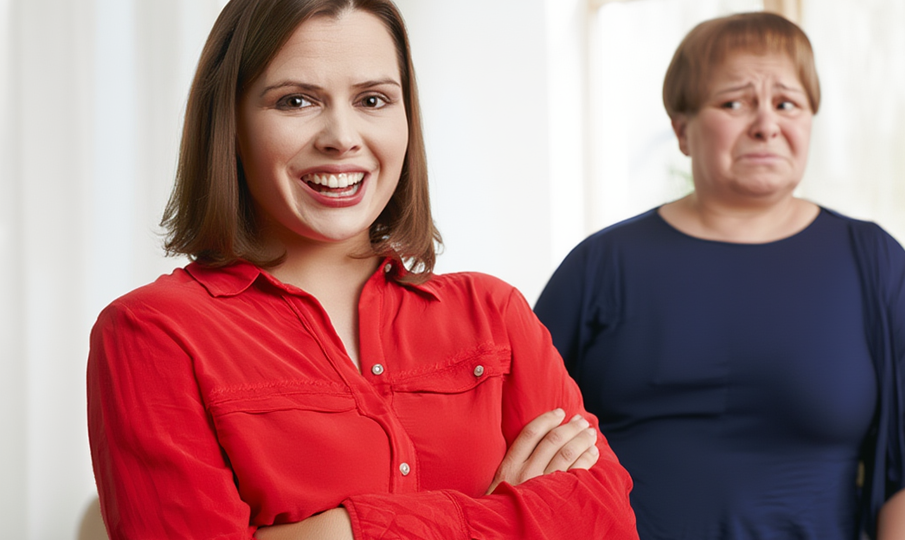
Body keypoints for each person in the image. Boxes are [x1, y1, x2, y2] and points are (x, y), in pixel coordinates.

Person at [85, 1, 638, 538]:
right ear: (228, 122)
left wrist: (345, 531)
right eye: (296, 101)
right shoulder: (152, 333)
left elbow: (606, 523)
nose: (342, 137)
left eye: (373, 99)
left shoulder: (493, 315)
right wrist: (506, 517)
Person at [534, 12, 905, 540]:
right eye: (734, 102)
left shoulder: (876, 263)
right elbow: (520, 429)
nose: (766, 124)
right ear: (682, 130)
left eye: (787, 103)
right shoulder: (600, 265)